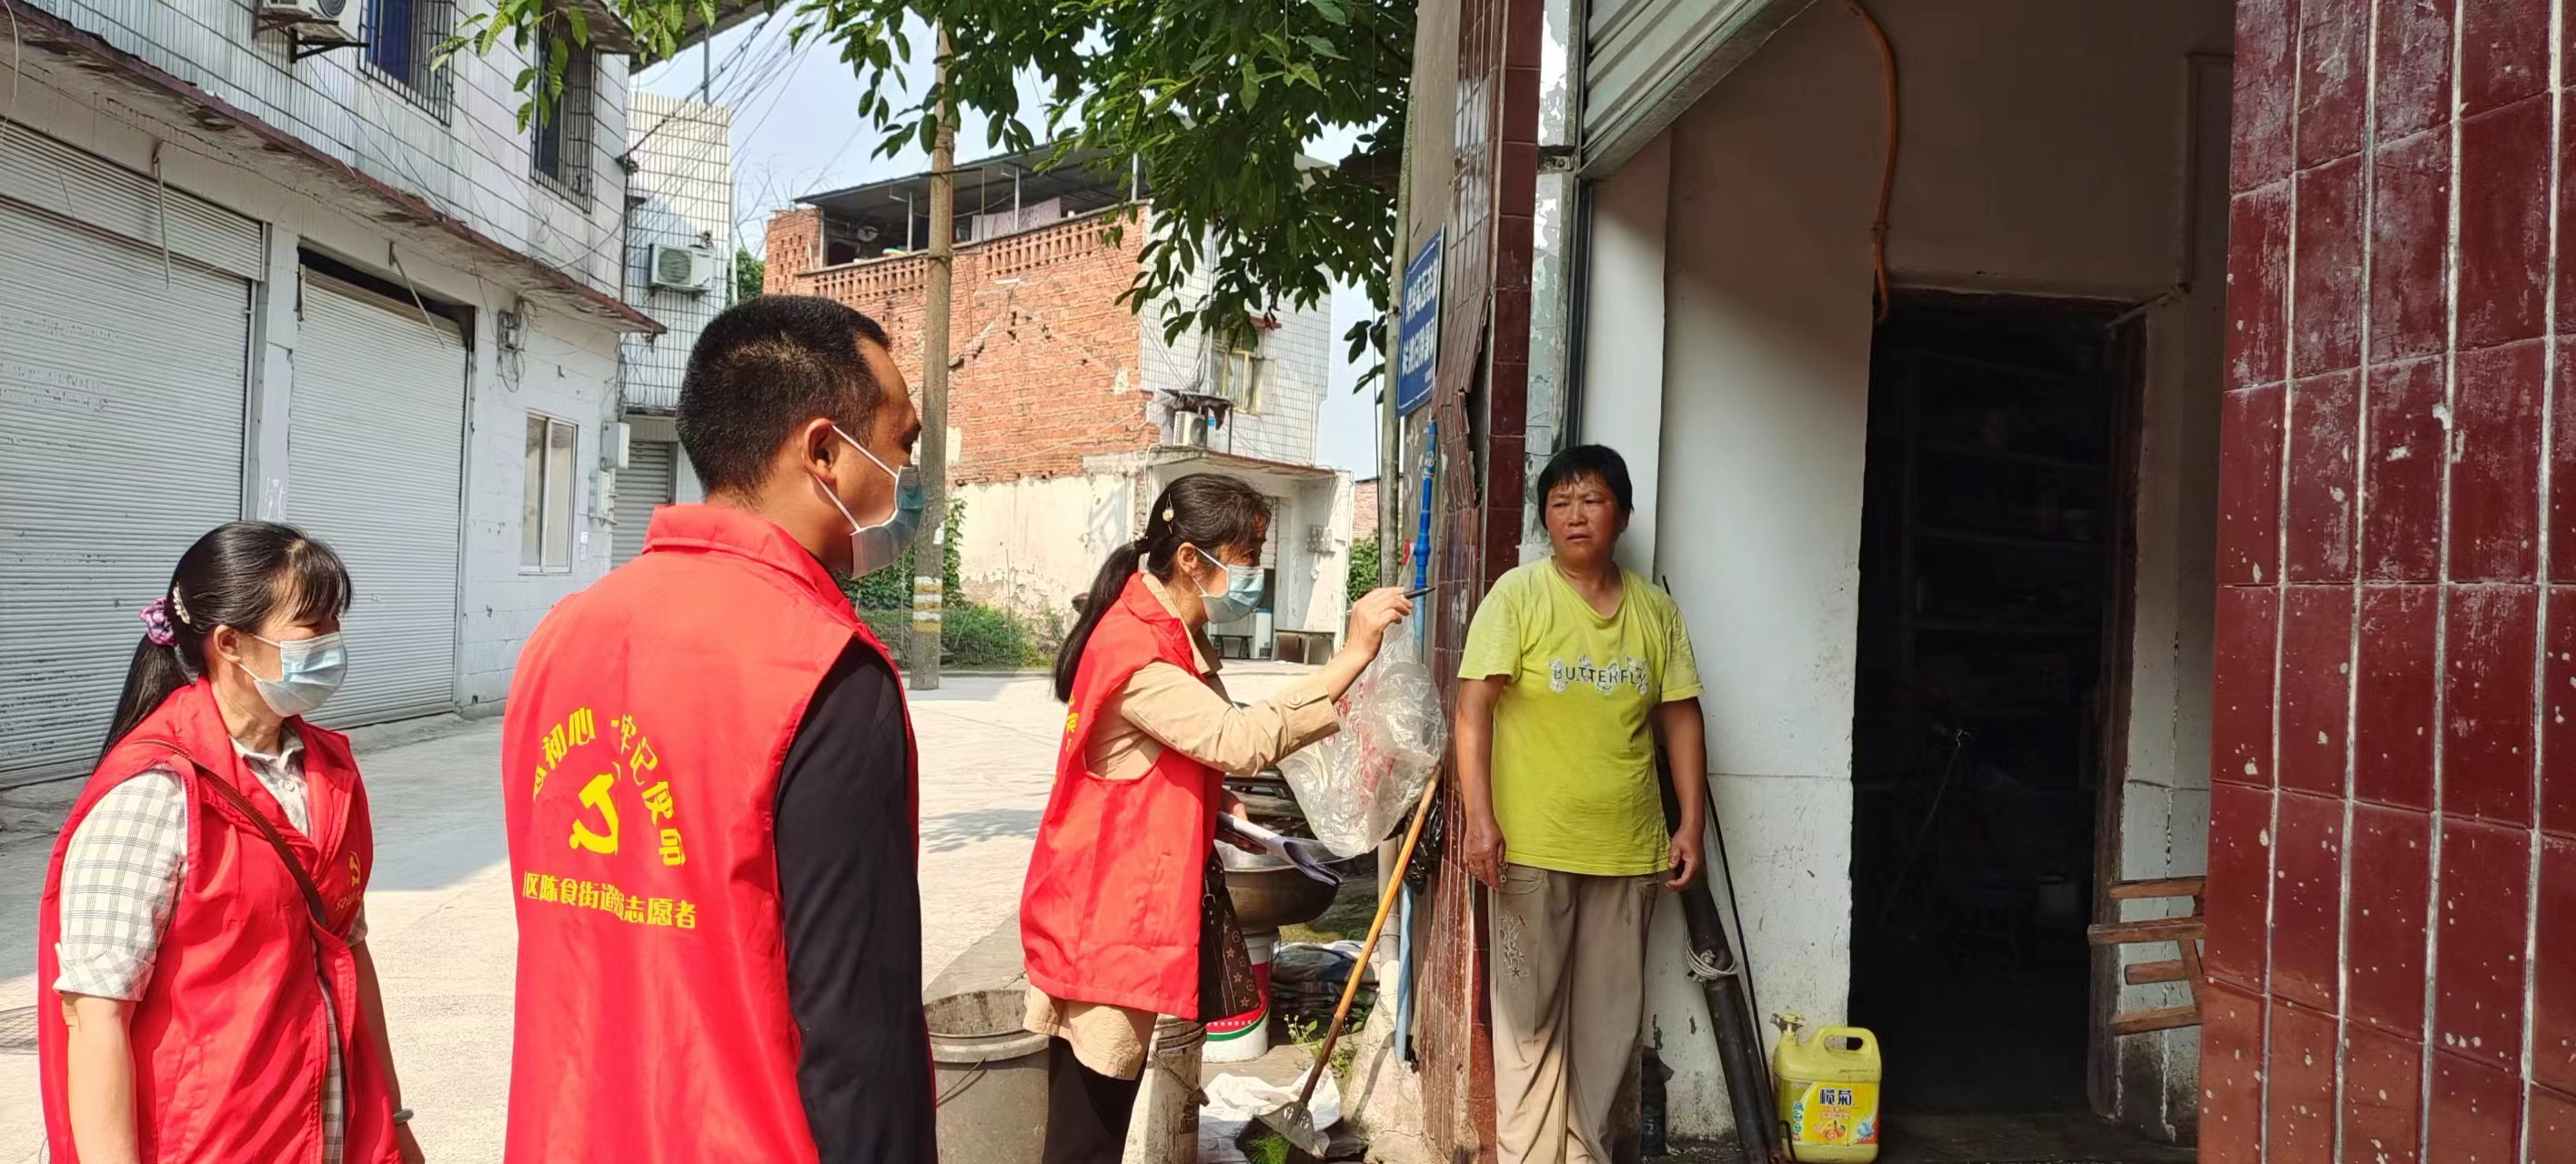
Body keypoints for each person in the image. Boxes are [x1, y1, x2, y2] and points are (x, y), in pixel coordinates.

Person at [499, 296, 934, 1163]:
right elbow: (856, 1032)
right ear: (824, 453)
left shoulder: (562, 636)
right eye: (903, 443)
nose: (909, 475)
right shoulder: (822, 670)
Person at [1021, 474, 1416, 1162]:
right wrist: (1351, 654)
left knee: (1097, 1123)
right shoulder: (1135, 647)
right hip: (1104, 919)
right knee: (1086, 1134)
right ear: (1190, 559)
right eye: (1246, 557)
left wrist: (1216, 805)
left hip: (1117, 909)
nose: (1252, 575)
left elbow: (1177, 753)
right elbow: (1237, 738)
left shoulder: (1172, 632)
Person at [35, 521, 422, 1164]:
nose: (333, 643)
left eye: (336, 622)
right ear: (230, 644)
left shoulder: (328, 772)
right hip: (210, 1142)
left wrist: (394, 1119)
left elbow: (350, 949)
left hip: (329, 1131)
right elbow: (95, 1013)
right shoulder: (153, 793)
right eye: (313, 625)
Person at [1455, 444, 1707, 1164]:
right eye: (1560, 502)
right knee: (1529, 1025)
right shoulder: (1518, 597)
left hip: (1629, 852)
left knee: (1609, 1029)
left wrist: (1688, 823)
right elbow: (1474, 711)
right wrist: (1481, 819)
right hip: (1533, 848)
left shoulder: (1656, 612)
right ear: (1544, 516)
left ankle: (1588, 1153)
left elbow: (1682, 717)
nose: (1575, 515)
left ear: (1621, 515)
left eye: (1591, 500)